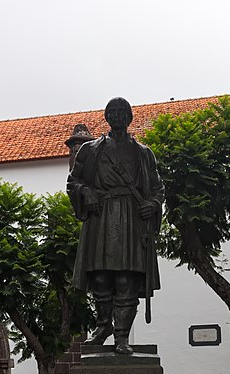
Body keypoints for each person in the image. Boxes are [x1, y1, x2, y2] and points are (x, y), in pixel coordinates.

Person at [67, 97, 165, 355]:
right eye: (113, 111)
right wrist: (86, 193)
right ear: (107, 117)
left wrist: (152, 204)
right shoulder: (91, 149)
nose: (118, 115)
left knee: (125, 280)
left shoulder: (143, 153)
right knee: (100, 277)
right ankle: (102, 327)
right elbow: (73, 181)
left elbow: (157, 189)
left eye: (123, 111)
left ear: (130, 117)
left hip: (132, 219)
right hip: (101, 217)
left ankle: (121, 336)